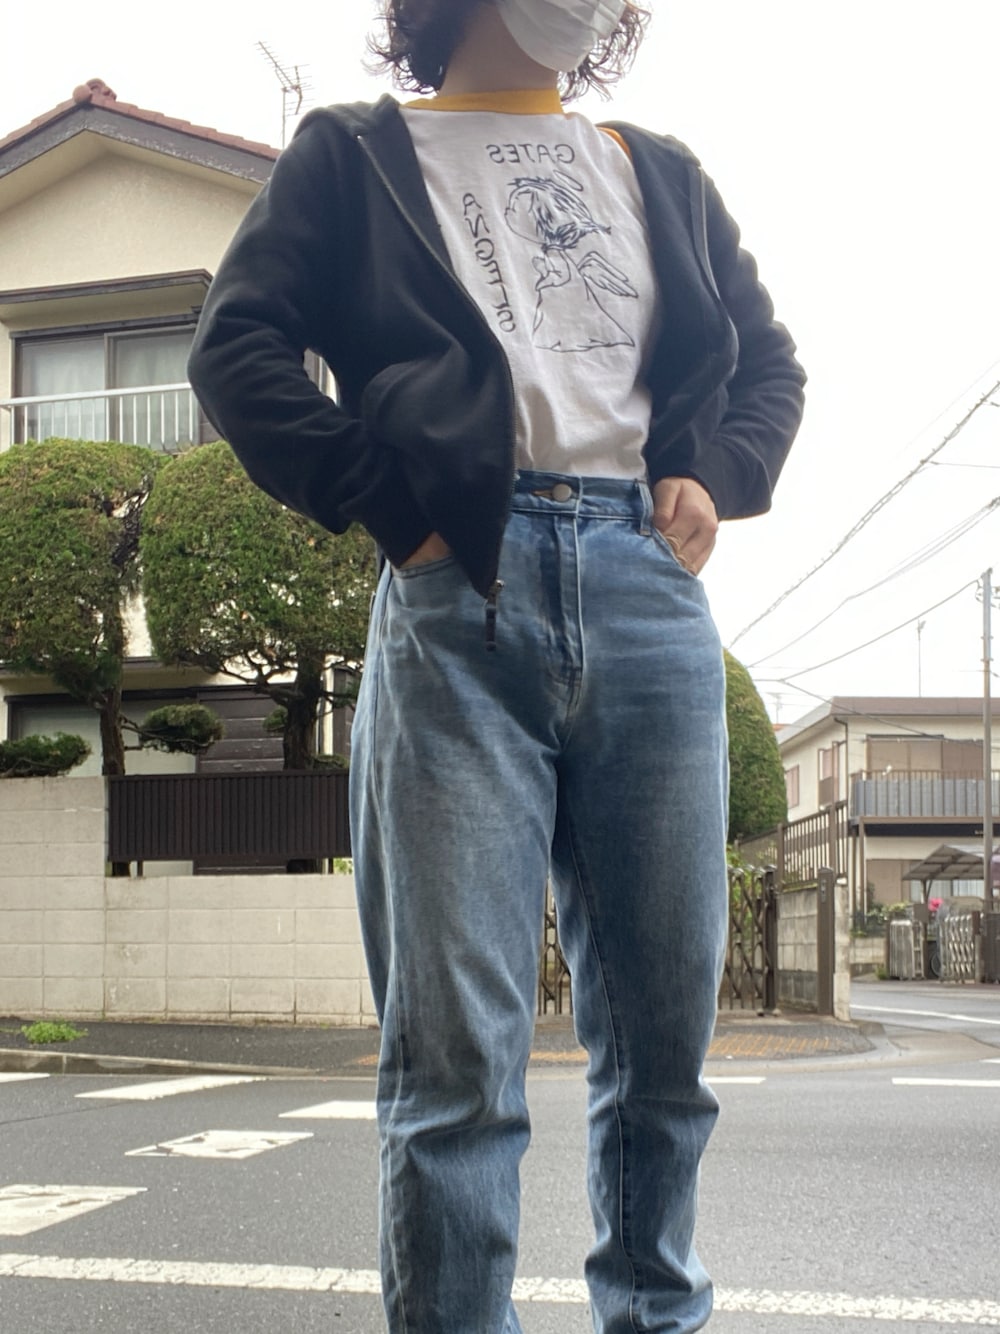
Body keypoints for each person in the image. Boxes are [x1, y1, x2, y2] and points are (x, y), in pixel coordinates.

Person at [187, 1, 806, 1329]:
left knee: (665, 1052)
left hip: (647, 589)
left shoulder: (659, 171)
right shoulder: (354, 154)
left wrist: (715, 473)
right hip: (456, 588)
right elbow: (236, 346)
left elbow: (770, 365)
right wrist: (388, 505)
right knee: (457, 1065)